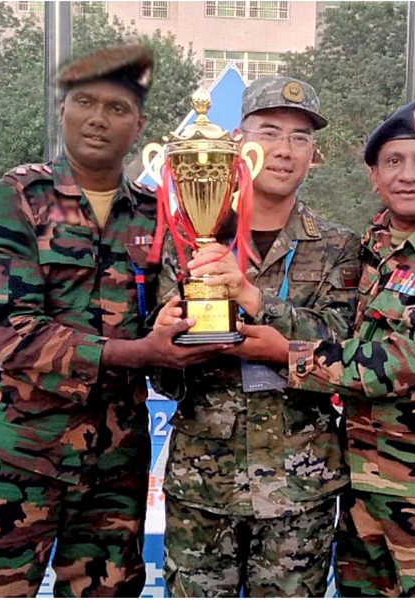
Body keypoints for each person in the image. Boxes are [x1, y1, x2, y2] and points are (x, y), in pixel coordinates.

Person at [0, 43, 227, 598]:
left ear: (139, 125)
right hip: (17, 456)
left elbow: (174, 312)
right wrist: (142, 353)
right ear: (62, 110)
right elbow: (12, 333)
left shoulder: (157, 213)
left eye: (117, 109)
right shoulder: (14, 199)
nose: (98, 118)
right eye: (85, 102)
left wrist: (192, 325)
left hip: (114, 465)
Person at [232, 100, 415, 597]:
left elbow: (401, 366)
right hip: (365, 488)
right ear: (373, 176)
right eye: (394, 162)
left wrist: (284, 352)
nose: (409, 175)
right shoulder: (376, 244)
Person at [151, 76, 361, 597]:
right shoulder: (189, 240)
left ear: (315, 155)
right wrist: (164, 341)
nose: (284, 151)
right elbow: (161, 373)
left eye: (300, 138)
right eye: (269, 132)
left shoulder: (338, 246)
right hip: (205, 483)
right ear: (239, 143)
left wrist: (257, 304)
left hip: (300, 486)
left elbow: (343, 346)